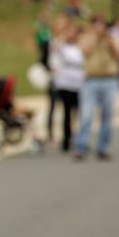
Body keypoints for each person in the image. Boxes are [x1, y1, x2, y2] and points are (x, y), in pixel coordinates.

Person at [74, 15, 119, 161]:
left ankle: (103, 147)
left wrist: (108, 38)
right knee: (87, 115)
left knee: (108, 115)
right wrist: (95, 36)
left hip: (110, 79)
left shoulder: (111, 38)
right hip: (91, 80)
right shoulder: (87, 37)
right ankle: (81, 147)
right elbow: (85, 51)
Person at [49, 22, 84, 153]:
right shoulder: (61, 46)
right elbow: (55, 46)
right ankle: (67, 139)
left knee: (78, 113)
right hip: (65, 84)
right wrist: (64, 33)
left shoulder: (80, 47)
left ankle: (78, 138)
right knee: (67, 112)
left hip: (78, 83)